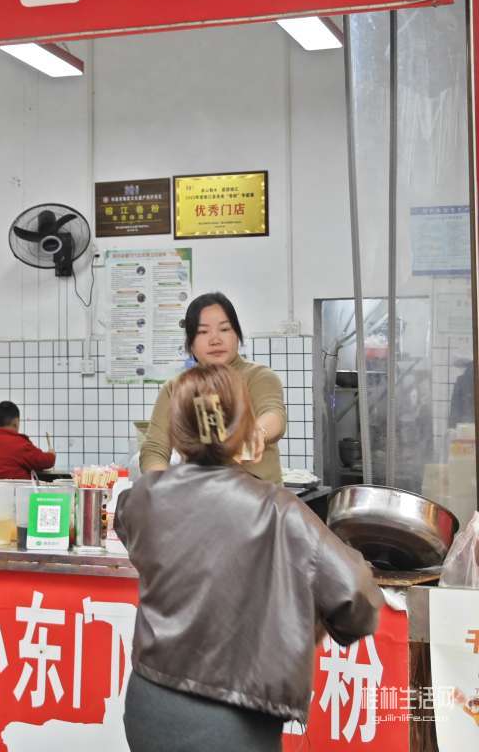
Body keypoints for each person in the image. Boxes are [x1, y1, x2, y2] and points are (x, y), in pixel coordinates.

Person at [116, 363, 382, 752]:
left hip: (147, 704)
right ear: (245, 428)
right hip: (232, 722)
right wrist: (317, 626)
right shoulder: (279, 510)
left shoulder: (141, 498)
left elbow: (136, 531)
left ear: (177, 432)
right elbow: (357, 595)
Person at [140, 292, 287, 482]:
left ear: (237, 336)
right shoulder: (177, 388)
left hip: (257, 495)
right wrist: (163, 488)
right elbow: (154, 449)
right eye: (203, 332)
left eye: (224, 329)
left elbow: (274, 415)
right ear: (191, 344)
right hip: (199, 494)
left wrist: (257, 433)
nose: (215, 339)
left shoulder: (259, 376)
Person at [0, 400, 56, 480]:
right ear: (16, 422)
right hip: (14, 489)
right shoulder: (20, 444)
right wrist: (51, 455)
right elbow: (44, 462)